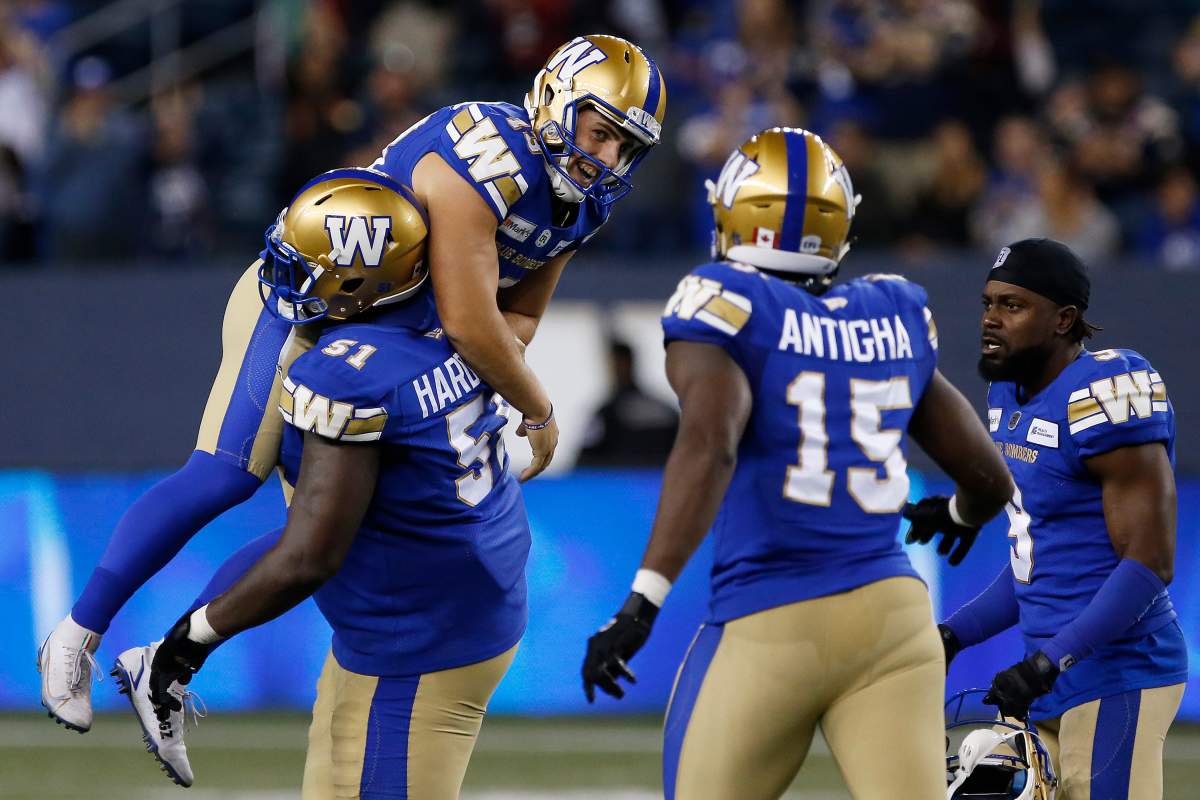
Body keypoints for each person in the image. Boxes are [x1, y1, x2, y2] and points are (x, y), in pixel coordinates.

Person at [38, 32, 665, 739]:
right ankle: (74, 634)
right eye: (600, 130)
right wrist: (538, 405)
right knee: (225, 474)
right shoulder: (486, 158)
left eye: (625, 147)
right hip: (307, 306)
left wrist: (466, 368)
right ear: (557, 100)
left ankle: (166, 665)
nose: (606, 156)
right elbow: (469, 321)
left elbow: (517, 317)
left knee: (325, 536)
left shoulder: (583, 202)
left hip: (380, 346)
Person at [579, 127, 1014, 799]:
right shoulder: (893, 309)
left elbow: (710, 443)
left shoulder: (724, 300)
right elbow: (989, 480)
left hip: (774, 619)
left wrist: (643, 601)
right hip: (894, 619)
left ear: (733, 214)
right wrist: (958, 513)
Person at [115, 168, 529, 799]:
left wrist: (186, 644)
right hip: (464, 604)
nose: (287, 281)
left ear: (362, 280)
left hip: (416, 644)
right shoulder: (457, 314)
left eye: (307, 267)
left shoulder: (348, 375)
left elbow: (310, 554)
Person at [918, 238, 1187, 799]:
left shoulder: (1106, 394)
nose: (992, 319)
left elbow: (1150, 563)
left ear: (1064, 319)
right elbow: (1038, 563)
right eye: (988, 303)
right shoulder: (1005, 396)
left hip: (1118, 672)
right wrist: (953, 634)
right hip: (1052, 678)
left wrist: (1046, 662)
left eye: (1013, 306)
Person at [577, 338, 678, 467]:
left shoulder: (607, 413)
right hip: (664, 484)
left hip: (620, 484)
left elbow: (583, 462)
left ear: (622, 364)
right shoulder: (666, 410)